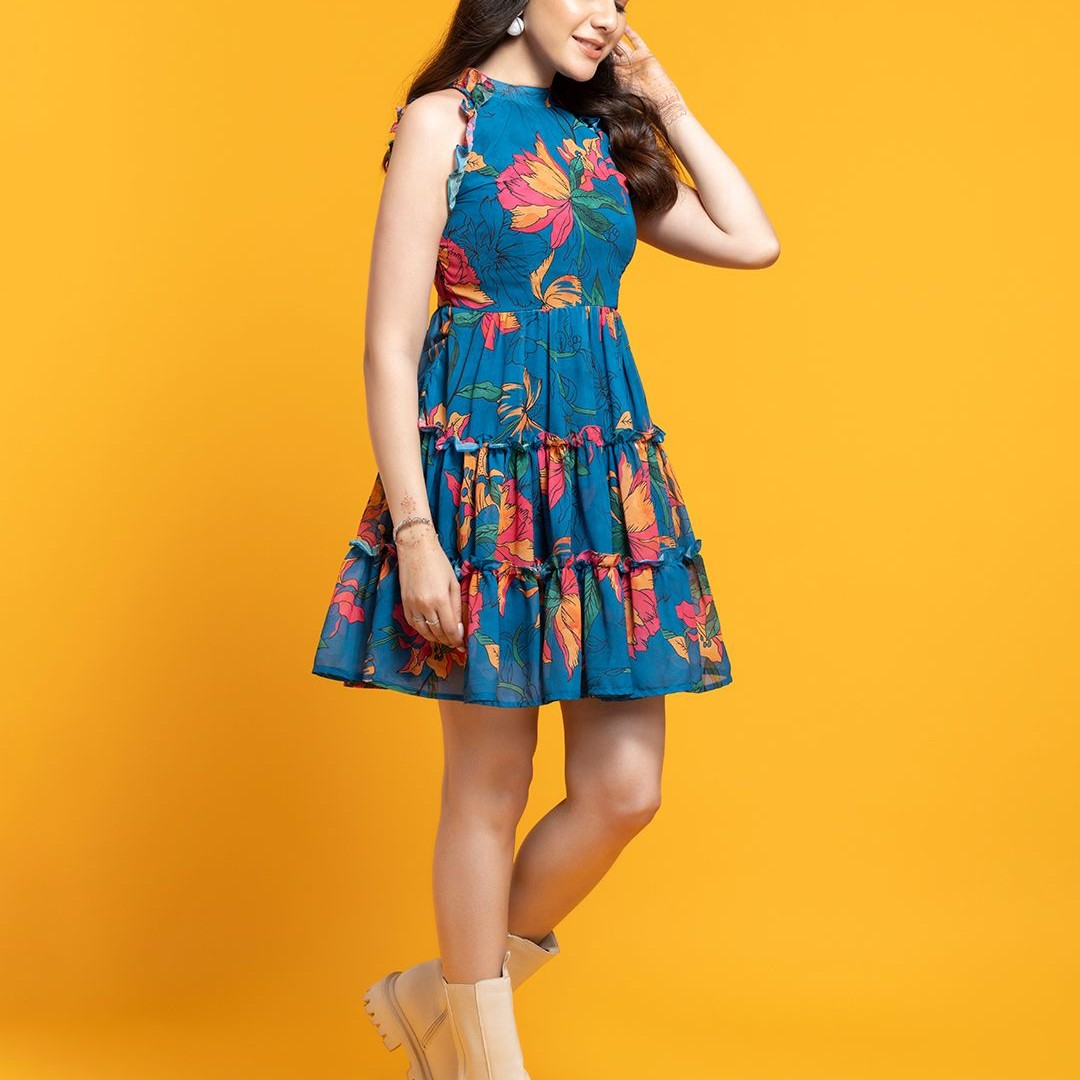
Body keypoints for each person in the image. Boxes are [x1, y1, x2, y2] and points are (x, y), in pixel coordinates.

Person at [312, 1, 779, 1075]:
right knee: (491, 783)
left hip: (604, 486)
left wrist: (664, 101)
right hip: (480, 479)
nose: (608, 17)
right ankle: (483, 1061)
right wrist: (417, 532)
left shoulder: (602, 137)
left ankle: (440, 996)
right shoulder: (447, 122)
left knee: (625, 791)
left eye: (623, 1)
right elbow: (389, 345)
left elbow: (752, 241)